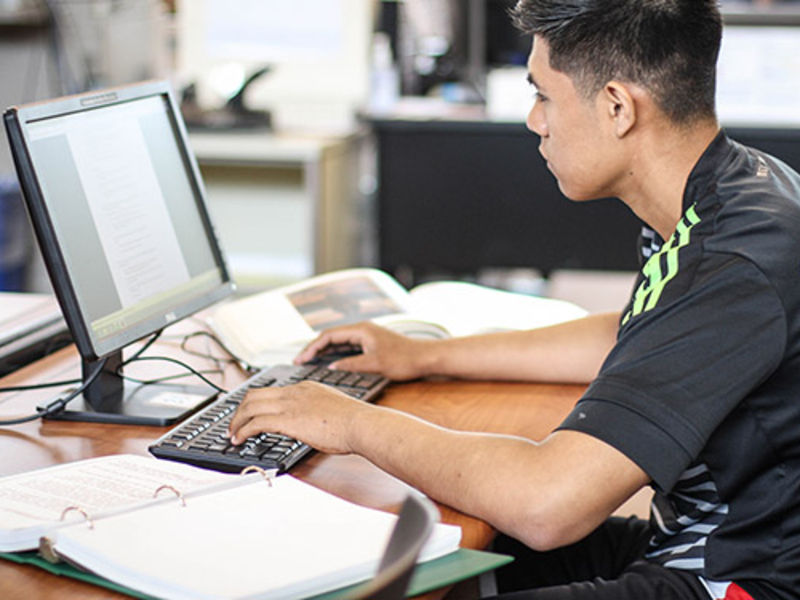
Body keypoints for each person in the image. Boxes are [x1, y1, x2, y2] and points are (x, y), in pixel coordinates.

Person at [229, 1, 800, 598]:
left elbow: (547, 504)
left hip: (741, 579)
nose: (534, 120)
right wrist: (427, 356)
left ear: (617, 107)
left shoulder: (730, 261)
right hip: (700, 544)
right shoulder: (733, 191)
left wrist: (349, 421)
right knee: (414, 555)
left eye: (544, 95)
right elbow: (637, 336)